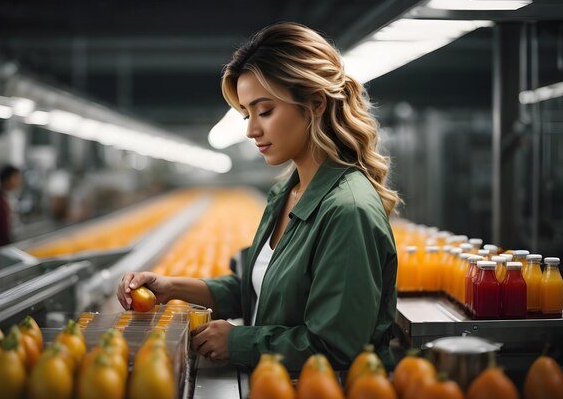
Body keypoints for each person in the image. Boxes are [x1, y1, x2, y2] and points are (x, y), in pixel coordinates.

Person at [117, 22, 400, 372]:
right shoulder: (287, 192)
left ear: (314, 104)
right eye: (246, 114)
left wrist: (237, 342)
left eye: (264, 111)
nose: (251, 130)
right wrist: (172, 287)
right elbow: (262, 288)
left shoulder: (347, 210)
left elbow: (338, 348)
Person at [0, 164, 23, 272]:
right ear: (6, 180)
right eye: (15, 177)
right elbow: (4, 231)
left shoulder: (8, 198)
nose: (19, 181)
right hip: (0, 250)